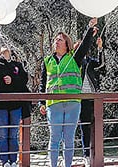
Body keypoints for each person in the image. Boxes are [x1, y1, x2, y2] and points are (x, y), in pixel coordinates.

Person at [39, 18, 98, 167]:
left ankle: (67, 165)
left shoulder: (74, 58)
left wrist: (90, 28)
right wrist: (41, 102)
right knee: (54, 138)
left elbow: (84, 45)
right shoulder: (47, 61)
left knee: (69, 138)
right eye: (56, 40)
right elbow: (43, 83)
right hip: (54, 104)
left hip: (73, 103)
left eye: (60, 40)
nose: (56, 42)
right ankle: (52, 165)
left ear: (66, 44)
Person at [0, 23, 30, 167]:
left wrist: (13, 80)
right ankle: (5, 161)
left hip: (15, 105)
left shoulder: (17, 66)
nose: (5, 49)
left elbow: (24, 80)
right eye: (2, 49)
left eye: (7, 48)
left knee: (13, 135)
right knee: (3, 135)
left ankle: (13, 161)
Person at [77, 36, 105, 167]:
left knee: (96, 125)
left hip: (92, 97)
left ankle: (96, 153)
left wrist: (100, 48)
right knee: (84, 127)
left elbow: (101, 64)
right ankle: (86, 155)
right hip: (79, 98)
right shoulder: (73, 62)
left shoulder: (89, 61)